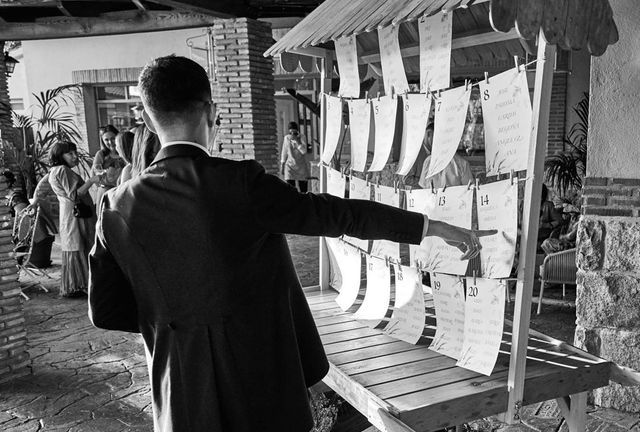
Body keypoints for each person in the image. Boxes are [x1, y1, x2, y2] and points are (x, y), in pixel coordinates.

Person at [88, 55, 495, 432]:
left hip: (179, 391)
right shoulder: (239, 184)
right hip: (260, 380)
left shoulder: (115, 207)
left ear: (145, 115)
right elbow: (339, 215)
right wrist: (434, 226)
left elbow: (105, 311)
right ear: (212, 111)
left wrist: (173, 325)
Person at [49, 141, 100, 297]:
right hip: (77, 216)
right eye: (70, 153)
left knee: (75, 247)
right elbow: (75, 194)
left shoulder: (54, 171)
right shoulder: (63, 170)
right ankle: (83, 284)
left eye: (74, 152)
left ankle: (77, 284)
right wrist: (92, 180)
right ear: (60, 155)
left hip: (70, 215)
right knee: (81, 245)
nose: (74, 156)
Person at [418, 121, 474, 189]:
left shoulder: (428, 161)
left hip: (436, 199)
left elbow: (423, 190)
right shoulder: (462, 164)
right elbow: (469, 191)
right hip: (454, 199)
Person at [92, 125, 125, 208]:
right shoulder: (101, 154)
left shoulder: (125, 153)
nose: (110, 142)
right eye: (106, 140)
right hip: (105, 194)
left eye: (113, 138)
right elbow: (95, 177)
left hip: (123, 194)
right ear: (103, 141)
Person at [281, 121, 310, 192]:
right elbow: (284, 152)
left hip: (301, 166)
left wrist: (297, 141)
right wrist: (282, 165)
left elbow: (304, 151)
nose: (292, 134)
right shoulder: (287, 138)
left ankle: (303, 202)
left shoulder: (302, 137)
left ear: (297, 131)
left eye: (294, 132)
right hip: (290, 166)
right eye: (290, 133)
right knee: (290, 190)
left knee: (303, 190)